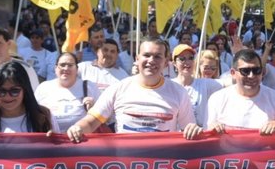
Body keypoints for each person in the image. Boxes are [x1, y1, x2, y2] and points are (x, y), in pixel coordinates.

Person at [66, 37, 201, 140]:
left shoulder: (179, 92)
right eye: (146, 55)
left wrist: (193, 129)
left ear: (166, 62)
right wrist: (77, 128)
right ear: (137, 59)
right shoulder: (118, 88)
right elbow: (91, 122)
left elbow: (188, 129)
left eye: (158, 56)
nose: (151, 60)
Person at [206, 49, 275, 135]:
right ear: (233, 73)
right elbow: (207, 135)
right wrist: (212, 129)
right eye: (245, 71)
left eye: (256, 71)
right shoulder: (217, 99)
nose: (251, 76)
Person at [0, 60, 58, 133]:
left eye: (14, 91)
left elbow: (59, 148)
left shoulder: (45, 116)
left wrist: (54, 141)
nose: (7, 96)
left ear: (25, 90)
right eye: (1, 91)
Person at [34, 52, 100, 133]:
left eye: (70, 65)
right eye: (62, 65)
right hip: (50, 142)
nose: (66, 68)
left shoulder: (90, 86)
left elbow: (104, 116)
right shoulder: (43, 88)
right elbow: (33, 115)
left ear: (77, 69)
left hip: (82, 142)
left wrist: (93, 109)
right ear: (55, 68)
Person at [172, 44, 222, 128]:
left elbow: (232, 81)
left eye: (190, 58)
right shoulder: (169, 86)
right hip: (176, 138)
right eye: (182, 59)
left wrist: (237, 53)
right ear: (174, 63)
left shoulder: (205, 84)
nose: (187, 62)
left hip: (199, 138)